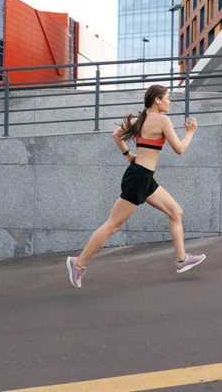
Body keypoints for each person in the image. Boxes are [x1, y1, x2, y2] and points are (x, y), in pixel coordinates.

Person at [66, 84, 206, 288]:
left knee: (176, 212)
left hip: (143, 177)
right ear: (157, 100)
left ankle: (181, 260)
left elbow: (116, 135)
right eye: (167, 97)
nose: (170, 101)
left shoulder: (141, 120)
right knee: (113, 225)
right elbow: (180, 149)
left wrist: (128, 155)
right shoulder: (162, 120)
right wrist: (191, 132)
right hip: (139, 178)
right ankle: (77, 264)